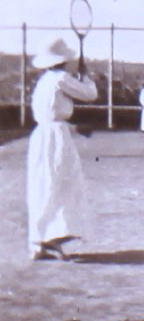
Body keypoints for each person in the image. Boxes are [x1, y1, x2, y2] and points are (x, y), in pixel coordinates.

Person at [27, 37, 98, 260]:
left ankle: (39, 243)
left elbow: (51, 114)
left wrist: (74, 128)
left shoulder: (43, 81)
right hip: (56, 138)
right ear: (63, 60)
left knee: (43, 185)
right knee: (63, 184)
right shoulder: (61, 78)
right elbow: (90, 95)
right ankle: (54, 239)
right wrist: (86, 77)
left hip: (41, 136)